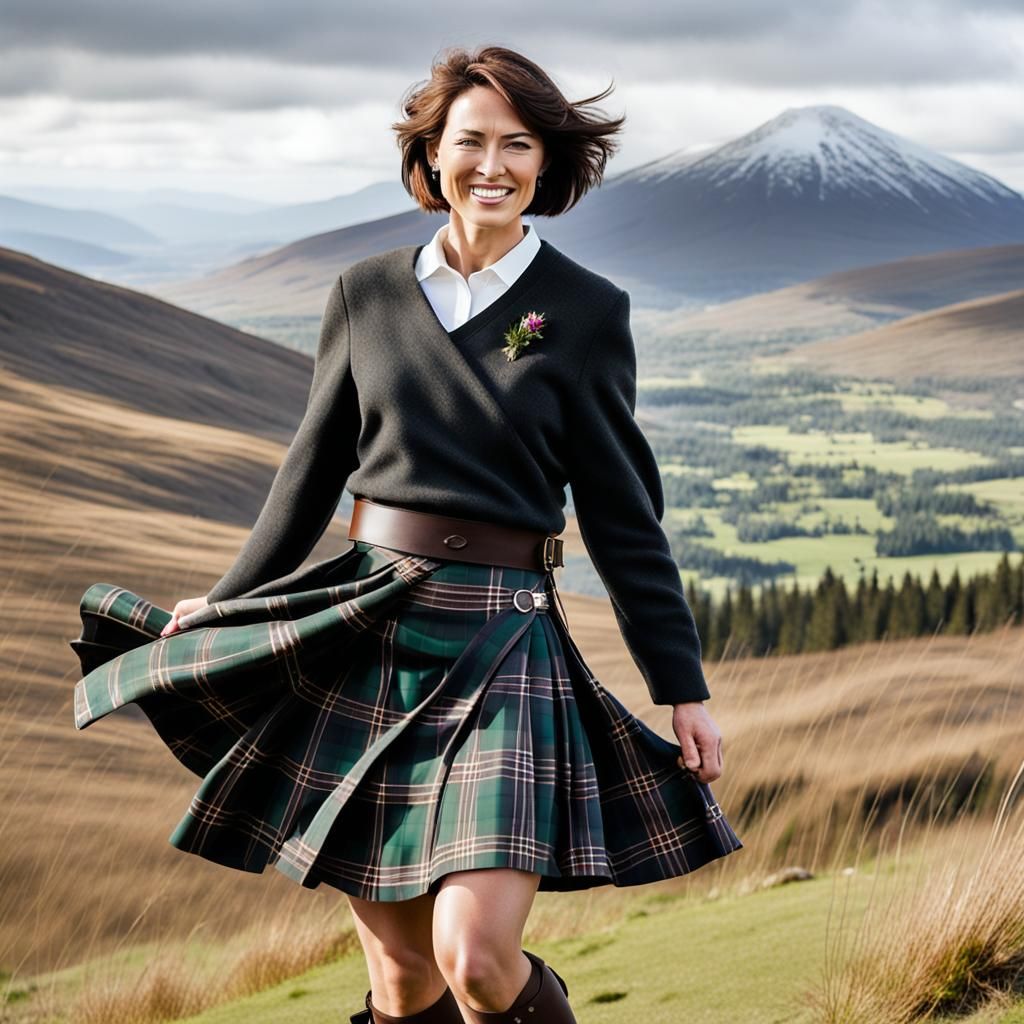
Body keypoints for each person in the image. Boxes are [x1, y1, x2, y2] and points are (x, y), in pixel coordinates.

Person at [70, 44, 742, 1024]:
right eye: (471, 140)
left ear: (547, 164)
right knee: (403, 980)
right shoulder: (366, 293)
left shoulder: (588, 312)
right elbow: (309, 474)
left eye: (520, 143)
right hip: (369, 627)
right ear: (430, 155)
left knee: (474, 957)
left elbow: (622, 515)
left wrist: (680, 686)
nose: (495, 164)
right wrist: (231, 596)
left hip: (504, 637)